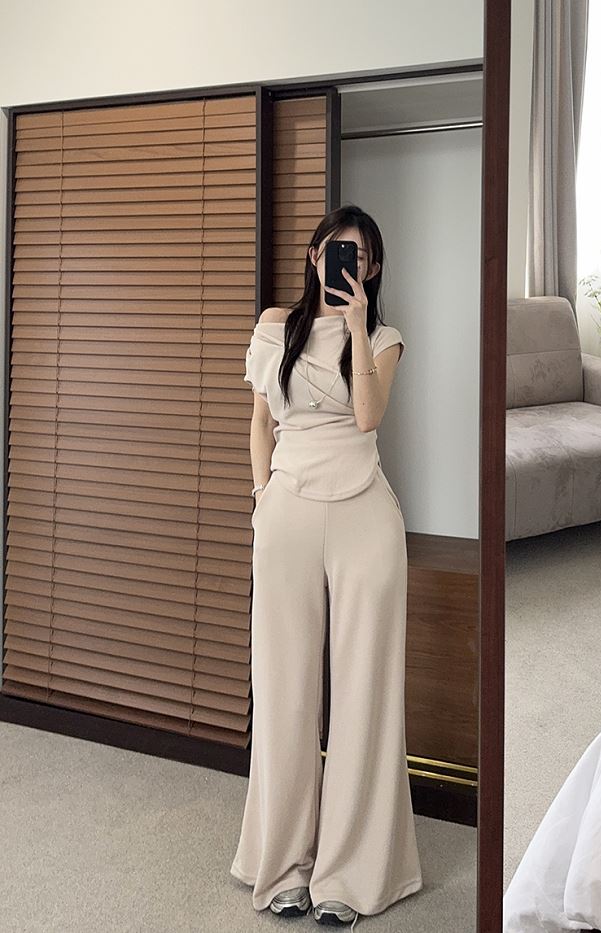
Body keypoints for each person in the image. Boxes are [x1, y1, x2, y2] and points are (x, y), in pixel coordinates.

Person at [229, 204, 423, 928]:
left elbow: (367, 417)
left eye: (359, 256)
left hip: (365, 513)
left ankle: (349, 874)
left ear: (372, 269)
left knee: (364, 689)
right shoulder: (274, 326)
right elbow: (260, 422)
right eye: (333, 250)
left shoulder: (384, 339)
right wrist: (261, 500)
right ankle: (283, 865)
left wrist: (358, 324)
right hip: (286, 509)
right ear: (314, 257)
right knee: (282, 686)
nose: (344, 263)